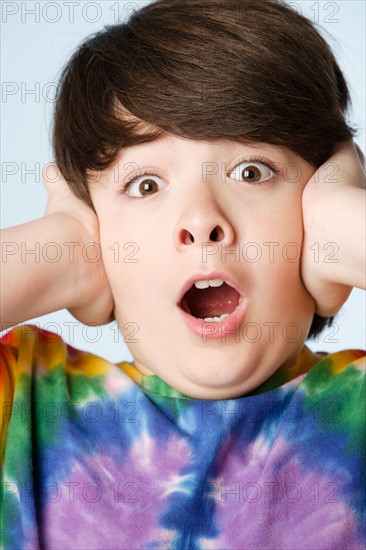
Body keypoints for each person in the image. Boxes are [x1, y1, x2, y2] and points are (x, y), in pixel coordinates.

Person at [1, 0, 365, 548]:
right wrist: (55, 250)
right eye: (145, 185)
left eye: (253, 171)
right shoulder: (26, 401)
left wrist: (349, 223)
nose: (201, 221)